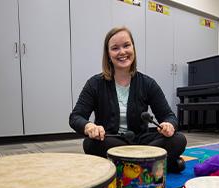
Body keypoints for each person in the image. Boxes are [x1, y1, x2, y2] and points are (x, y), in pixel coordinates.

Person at [69, 26, 186, 173]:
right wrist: (89, 127)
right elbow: (76, 117)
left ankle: (124, 165)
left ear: (133, 48)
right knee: (90, 144)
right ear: (108, 54)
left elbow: (169, 116)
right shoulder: (95, 83)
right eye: (115, 48)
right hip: (112, 140)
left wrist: (169, 125)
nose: (122, 52)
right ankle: (155, 163)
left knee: (179, 140)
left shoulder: (148, 83)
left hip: (142, 141)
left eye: (126, 45)